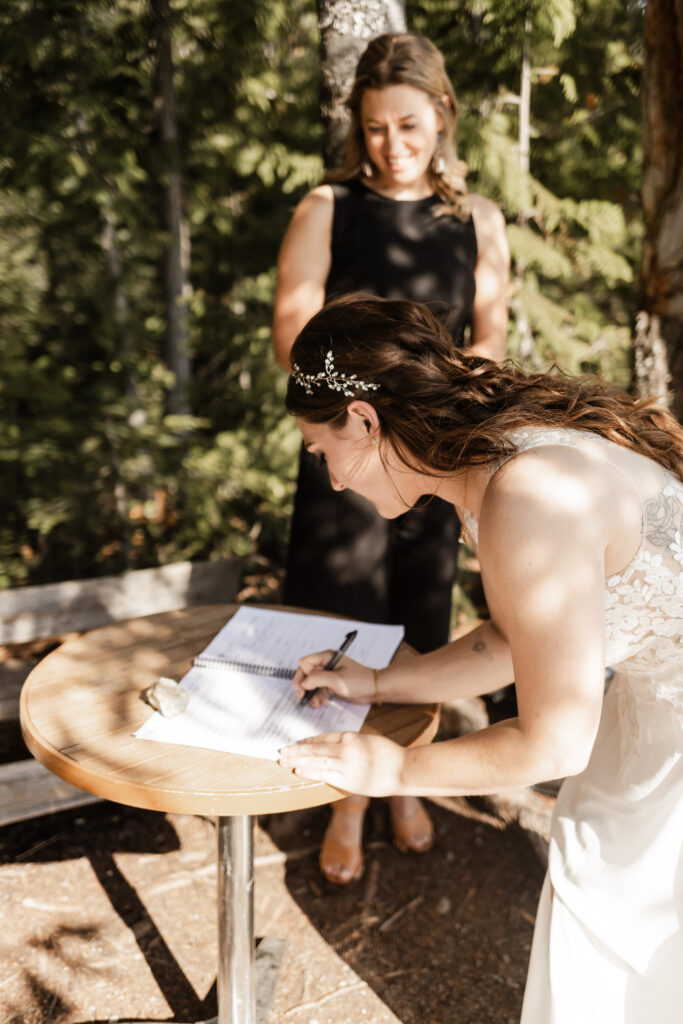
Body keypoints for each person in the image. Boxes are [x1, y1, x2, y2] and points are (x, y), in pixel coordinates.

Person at [278, 294, 683, 1022]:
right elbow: (512, 638)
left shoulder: (524, 494)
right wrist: (379, 679)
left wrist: (395, 769)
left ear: (364, 421)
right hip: (655, 706)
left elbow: (552, 743)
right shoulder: (496, 457)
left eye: (323, 452)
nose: (332, 480)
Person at [272, 31, 510, 883]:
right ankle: (344, 800)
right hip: (348, 462)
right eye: (374, 129)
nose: (393, 145)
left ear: (442, 116)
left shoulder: (477, 221)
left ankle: (403, 781)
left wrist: (428, 423)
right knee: (346, 620)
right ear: (357, 130)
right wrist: (366, 427)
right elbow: (291, 339)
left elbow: (489, 339)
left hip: (435, 461)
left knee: (419, 623)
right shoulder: (327, 208)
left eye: (408, 124)